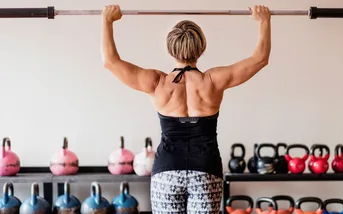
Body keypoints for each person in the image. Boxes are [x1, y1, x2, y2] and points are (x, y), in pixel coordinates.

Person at [101, 4, 271, 213]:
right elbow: (260, 59)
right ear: (201, 47)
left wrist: (107, 21)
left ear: (170, 48)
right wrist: (264, 21)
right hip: (206, 170)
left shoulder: (157, 83)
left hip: (167, 171)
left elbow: (110, 62)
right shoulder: (213, 81)